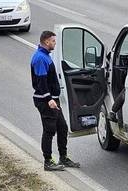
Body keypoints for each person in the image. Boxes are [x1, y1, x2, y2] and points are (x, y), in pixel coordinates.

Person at [31, 31, 80, 172]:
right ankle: (48, 161)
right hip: (46, 101)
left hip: (52, 100)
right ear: (46, 42)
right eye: (53, 41)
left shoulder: (45, 56)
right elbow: (41, 82)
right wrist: (49, 99)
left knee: (62, 128)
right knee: (49, 131)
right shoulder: (40, 58)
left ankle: (63, 157)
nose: (55, 43)